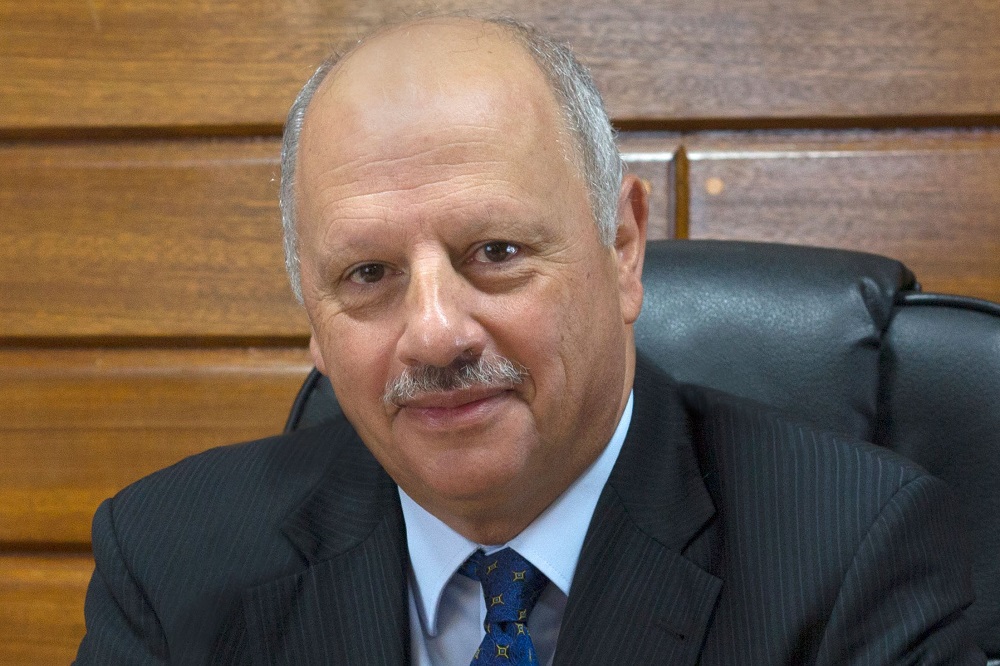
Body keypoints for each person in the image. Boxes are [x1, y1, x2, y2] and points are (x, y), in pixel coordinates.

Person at [75, 15, 983, 665]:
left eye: (497, 252)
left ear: (622, 247)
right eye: (368, 274)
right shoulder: (169, 562)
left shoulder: (853, 556)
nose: (435, 334)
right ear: (312, 316)